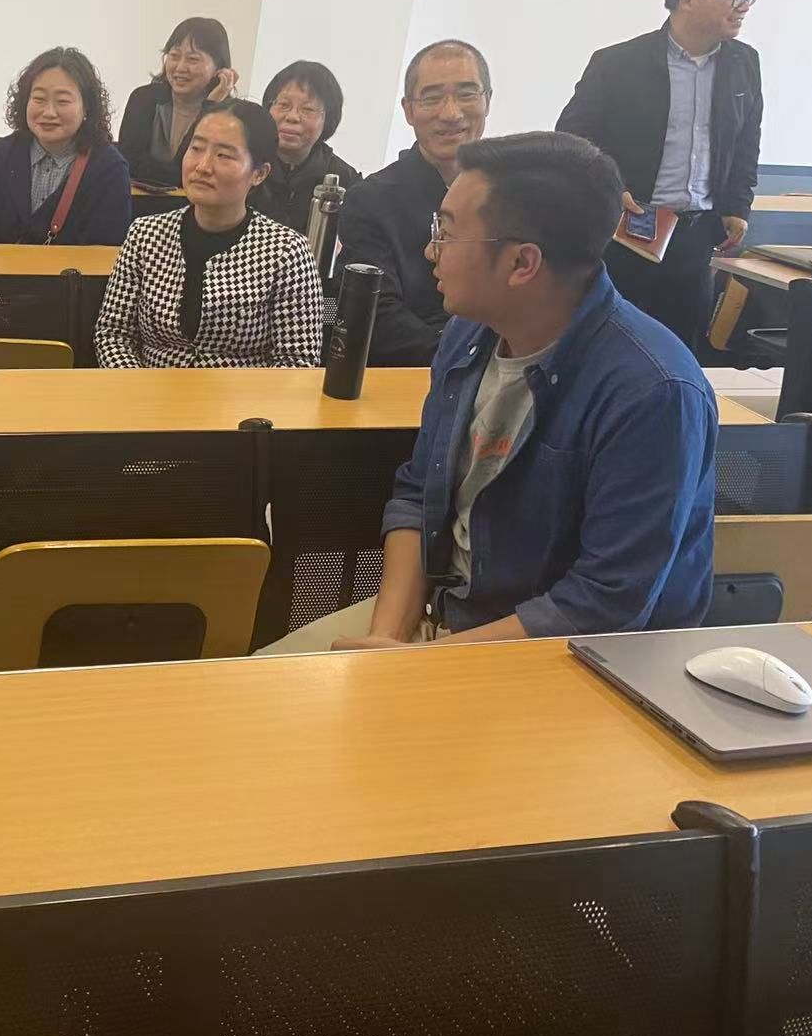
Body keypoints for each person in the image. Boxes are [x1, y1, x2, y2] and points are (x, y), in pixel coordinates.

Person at [258, 132, 716, 655]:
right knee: (245, 686)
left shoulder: (653, 392)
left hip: (564, 661)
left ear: (522, 263)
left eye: (447, 233)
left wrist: (417, 665)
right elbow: (417, 494)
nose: (430, 250)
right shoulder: (468, 335)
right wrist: (386, 638)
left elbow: (605, 603)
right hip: (449, 621)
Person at [557, 0, 762, 352]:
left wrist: (738, 205)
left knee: (680, 352)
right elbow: (571, 137)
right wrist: (609, 186)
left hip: (695, 236)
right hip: (627, 231)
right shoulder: (618, 63)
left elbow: (746, 141)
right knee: (607, 346)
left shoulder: (744, 63)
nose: (744, 6)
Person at [96, 102, 323, 368]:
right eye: (196, 148)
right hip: (147, 388)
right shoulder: (145, 234)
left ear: (259, 174)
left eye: (223, 155)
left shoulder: (287, 251)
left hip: (243, 393)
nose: (202, 166)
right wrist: (136, 385)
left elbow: (297, 359)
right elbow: (113, 333)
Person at [339, 39, 492, 366]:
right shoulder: (371, 199)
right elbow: (375, 314)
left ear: (487, 100)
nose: (450, 114)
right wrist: (465, 359)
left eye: (466, 94)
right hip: (411, 370)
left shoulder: (510, 196)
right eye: (432, 98)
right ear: (408, 110)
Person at [0, 47, 131, 246]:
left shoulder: (108, 168)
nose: (49, 112)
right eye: (39, 99)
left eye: (62, 101)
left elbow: (106, 251)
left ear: (86, 107)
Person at [116, 17, 238, 188]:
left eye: (193, 59)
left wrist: (209, 107)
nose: (180, 67)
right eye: (174, 56)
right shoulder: (144, 99)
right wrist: (174, 174)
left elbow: (194, 169)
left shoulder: (229, 116)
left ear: (219, 69)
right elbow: (130, 164)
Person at [252, 60, 362, 234]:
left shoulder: (344, 180)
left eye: (308, 109)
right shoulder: (248, 163)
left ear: (328, 119)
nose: (292, 117)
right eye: (284, 105)